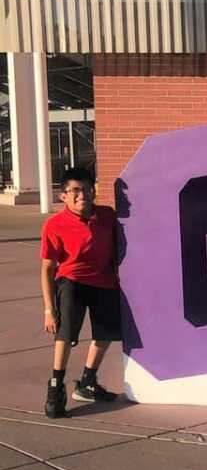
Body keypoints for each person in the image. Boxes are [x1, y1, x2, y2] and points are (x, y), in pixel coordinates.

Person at [41, 167, 121, 418]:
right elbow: (47, 269)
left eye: (86, 188)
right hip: (72, 281)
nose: (82, 194)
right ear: (63, 196)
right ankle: (56, 386)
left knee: (105, 334)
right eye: (75, 190)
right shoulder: (54, 225)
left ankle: (87, 382)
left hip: (104, 282)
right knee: (64, 335)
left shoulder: (107, 215)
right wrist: (49, 310)